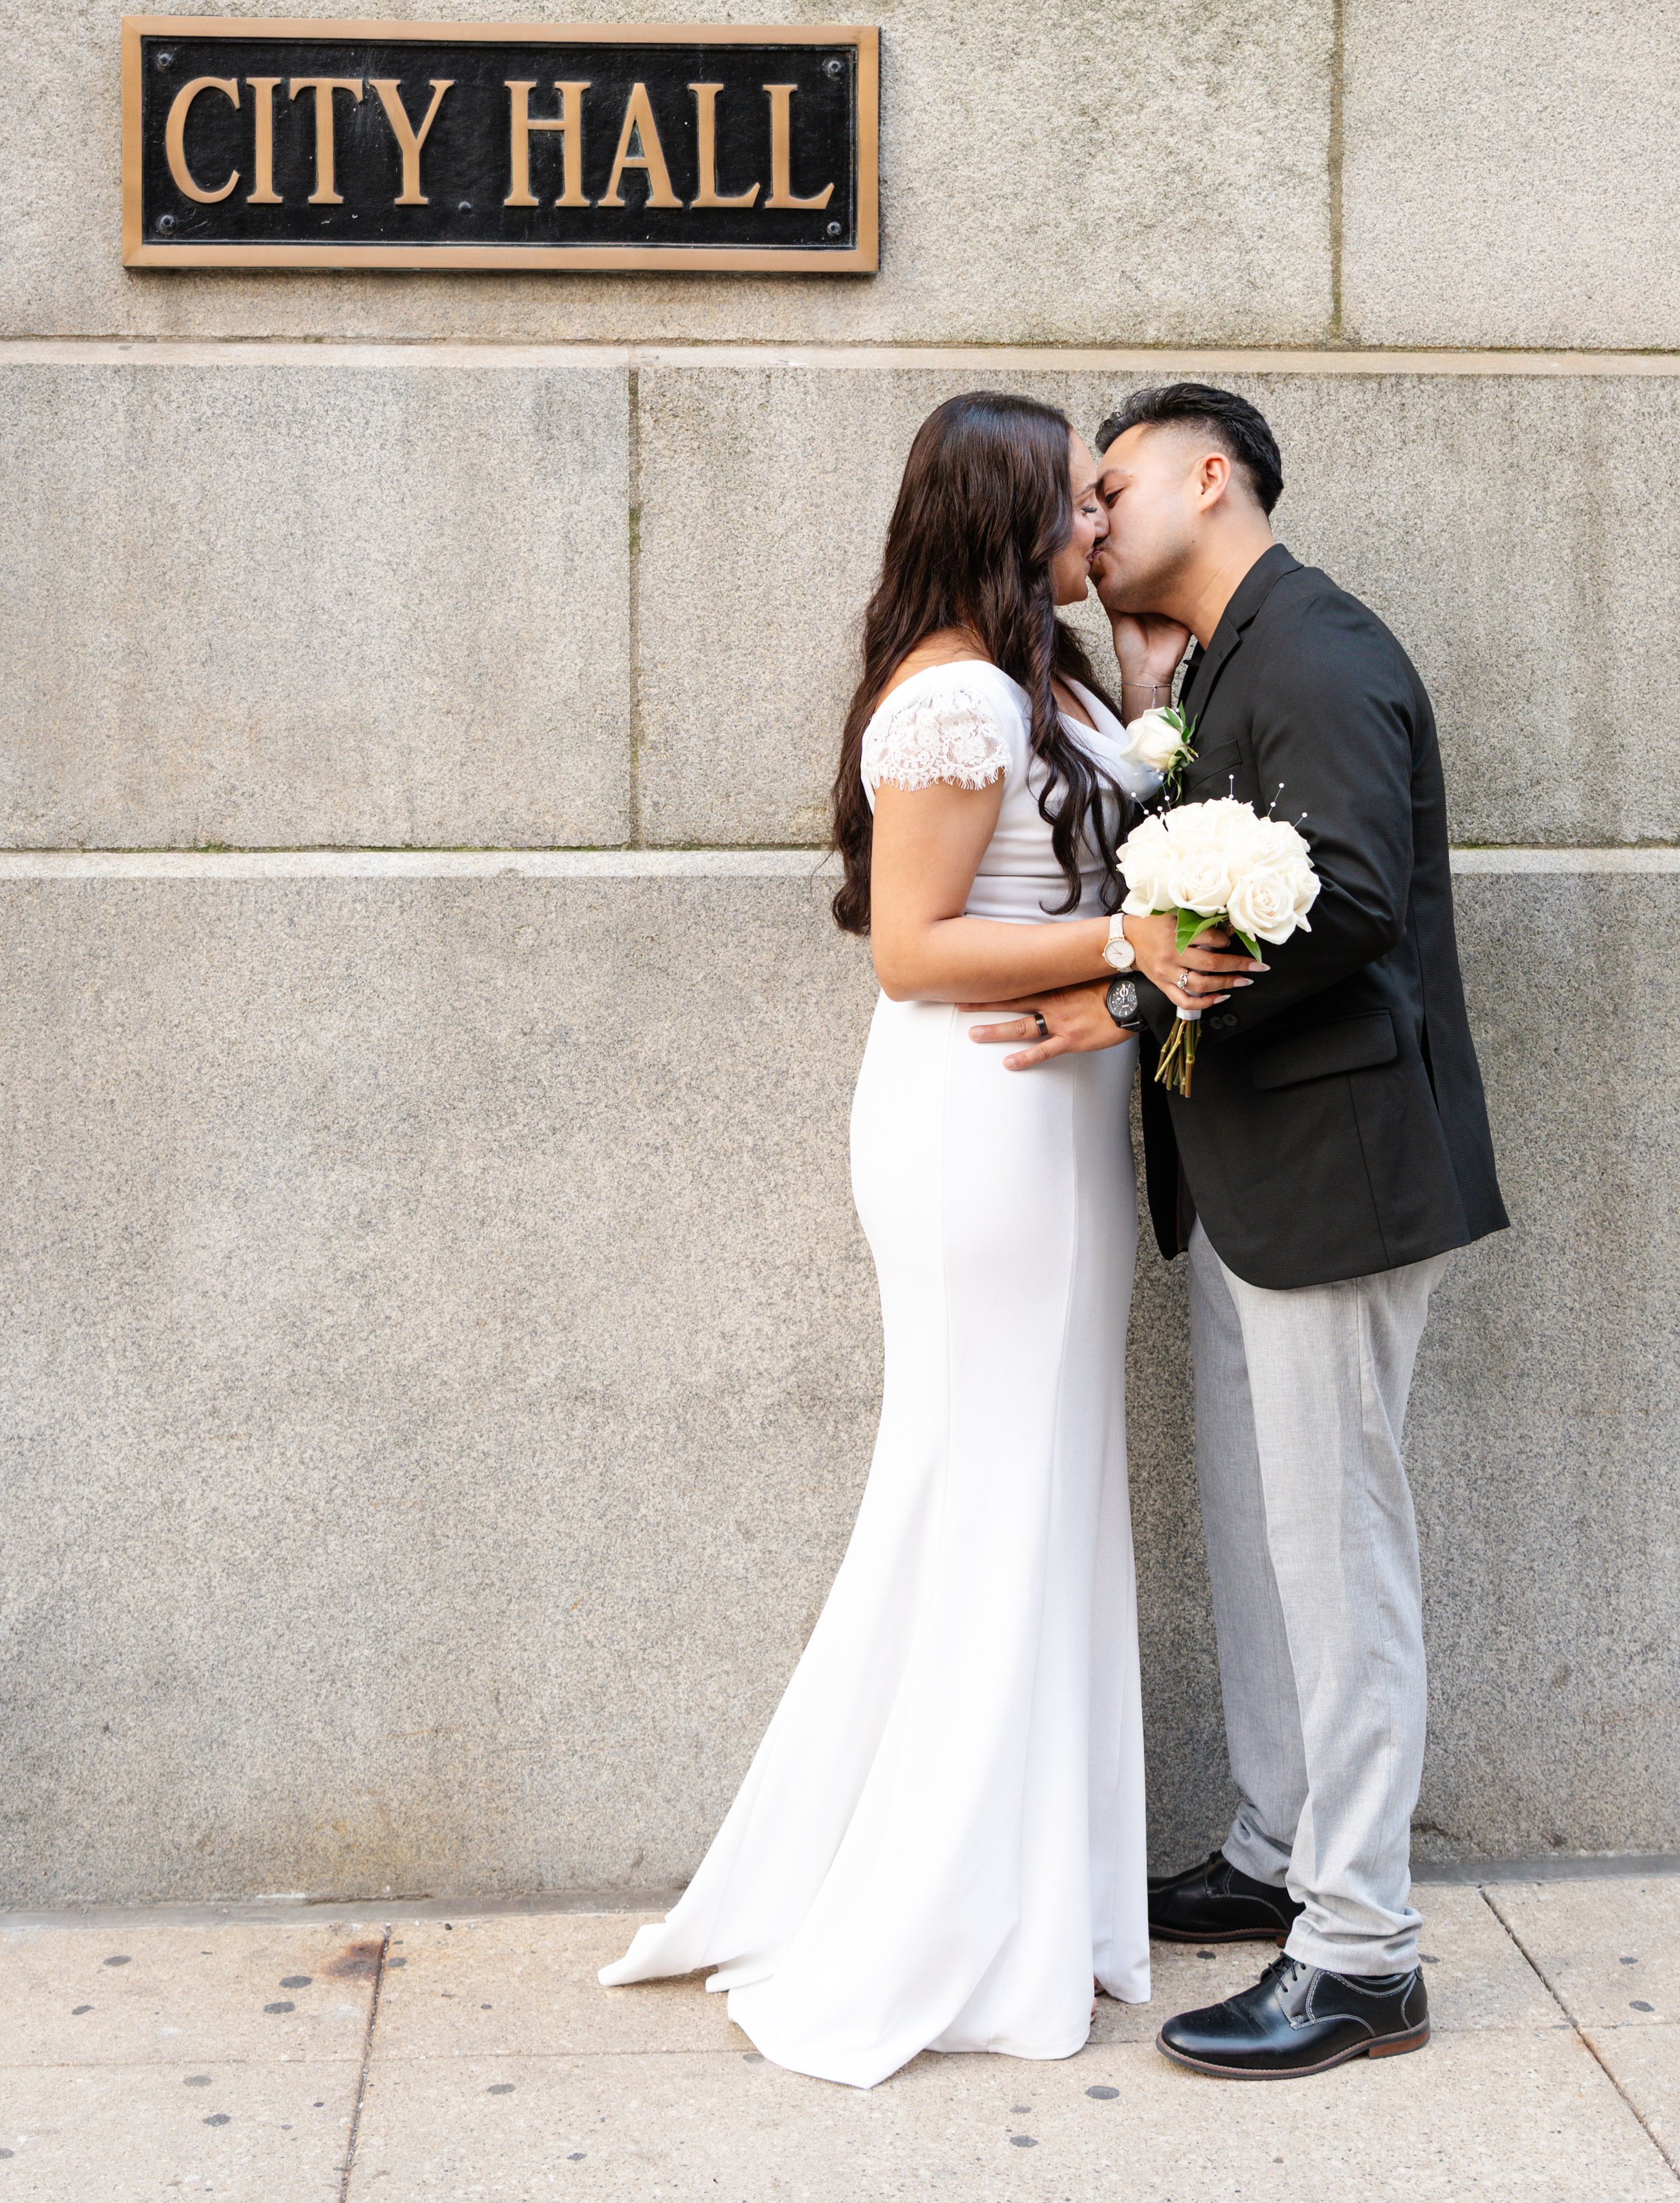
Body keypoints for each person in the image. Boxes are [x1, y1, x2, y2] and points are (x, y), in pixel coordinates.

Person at [597, 389, 1244, 2087]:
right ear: (1005, 512)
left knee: (1038, 1477)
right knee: (985, 1476)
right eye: (1072, 504)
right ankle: (943, 1905)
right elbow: (911, 947)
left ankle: (1044, 1883)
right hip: (971, 1126)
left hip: (1052, 1126)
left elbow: (1116, 800)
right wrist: (1135, 935)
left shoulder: (1036, 679)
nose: (1099, 526)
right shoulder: (951, 695)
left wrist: (1139, 687)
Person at [970, 383, 1507, 2081]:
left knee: (1334, 1560)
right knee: (1270, 1546)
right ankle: (1278, 1853)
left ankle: (1361, 1954)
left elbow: (1340, 897)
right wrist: (1143, 720)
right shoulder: (1209, 667)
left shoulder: (1319, 653)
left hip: (1334, 1176)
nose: (1090, 521)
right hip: (1246, 1178)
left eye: (1111, 486)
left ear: (1213, 478)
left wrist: (1133, 996)